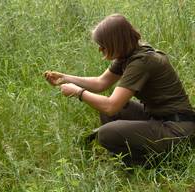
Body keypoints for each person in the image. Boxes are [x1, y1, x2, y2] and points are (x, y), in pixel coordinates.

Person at [44, 14, 195, 166]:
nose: (100, 49)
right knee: (113, 109)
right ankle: (128, 156)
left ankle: (163, 162)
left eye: (103, 44)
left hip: (177, 130)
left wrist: (78, 93)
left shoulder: (141, 62)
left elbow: (111, 106)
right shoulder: (129, 54)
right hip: (159, 119)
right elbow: (100, 83)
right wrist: (65, 78)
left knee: (106, 132)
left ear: (116, 43)